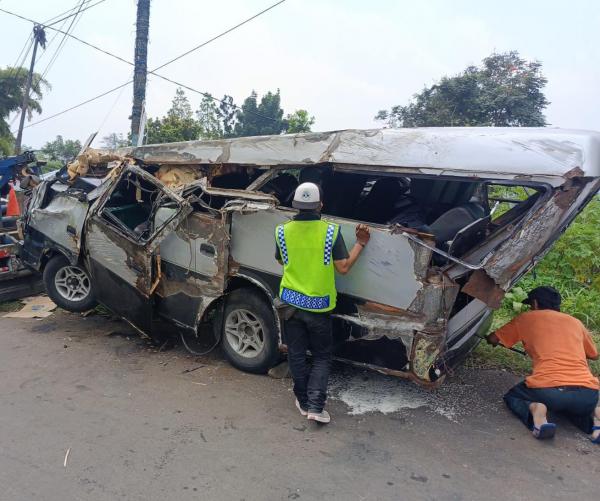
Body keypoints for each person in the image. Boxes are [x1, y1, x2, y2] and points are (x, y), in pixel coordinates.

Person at [275, 182, 370, 424]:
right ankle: (316, 407)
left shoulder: (281, 231)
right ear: (320, 205)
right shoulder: (331, 232)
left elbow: (281, 261)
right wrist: (361, 243)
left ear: (295, 205)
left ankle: (303, 402)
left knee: (296, 354)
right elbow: (344, 267)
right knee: (321, 357)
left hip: (290, 303)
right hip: (319, 306)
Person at [487, 286, 600, 442]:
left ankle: (537, 412)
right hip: (588, 393)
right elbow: (594, 355)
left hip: (548, 390)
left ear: (535, 303)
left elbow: (493, 339)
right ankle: (595, 419)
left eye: (530, 305)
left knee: (513, 397)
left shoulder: (527, 318)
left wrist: (490, 339)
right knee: (574, 409)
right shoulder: (575, 322)